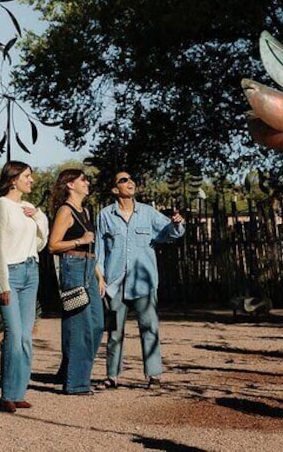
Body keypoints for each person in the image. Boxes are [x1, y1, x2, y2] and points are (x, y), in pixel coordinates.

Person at [95, 171, 185, 389]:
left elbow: (171, 233)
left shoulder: (147, 212)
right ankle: (112, 376)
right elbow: (99, 251)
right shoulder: (105, 215)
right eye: (123, 180)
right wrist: (100, 278)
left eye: (131, 179)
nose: (130, 182)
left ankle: (154, 375)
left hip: (144, 283)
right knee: (115, 332)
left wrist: (177, 223)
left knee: (149, 328)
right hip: (115, 284)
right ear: (115, 189)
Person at [0, 161, 48, 412]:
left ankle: (19, 391)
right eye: (27, 176)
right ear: (13, 180)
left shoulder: (28, 207)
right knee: (13, 335)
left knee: (25, 336)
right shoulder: (2, 206)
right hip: (10, 274)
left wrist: (40, 216)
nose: (31, 180)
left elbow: (40, 243)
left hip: (31, 271)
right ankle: (7, 394)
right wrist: (1, 282)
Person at [47, 168, 105, 395]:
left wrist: (99, 276)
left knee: (98, 324)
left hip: (89, 269)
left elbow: (91, 248)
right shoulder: (66, 211)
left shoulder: (86, 211)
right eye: (82, 179)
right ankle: (76, 383)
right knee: (79, 326)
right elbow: (53, 245)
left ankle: (70, 369)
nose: (87, 182)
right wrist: (80, 239)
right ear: (70, 185)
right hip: (73, 268)